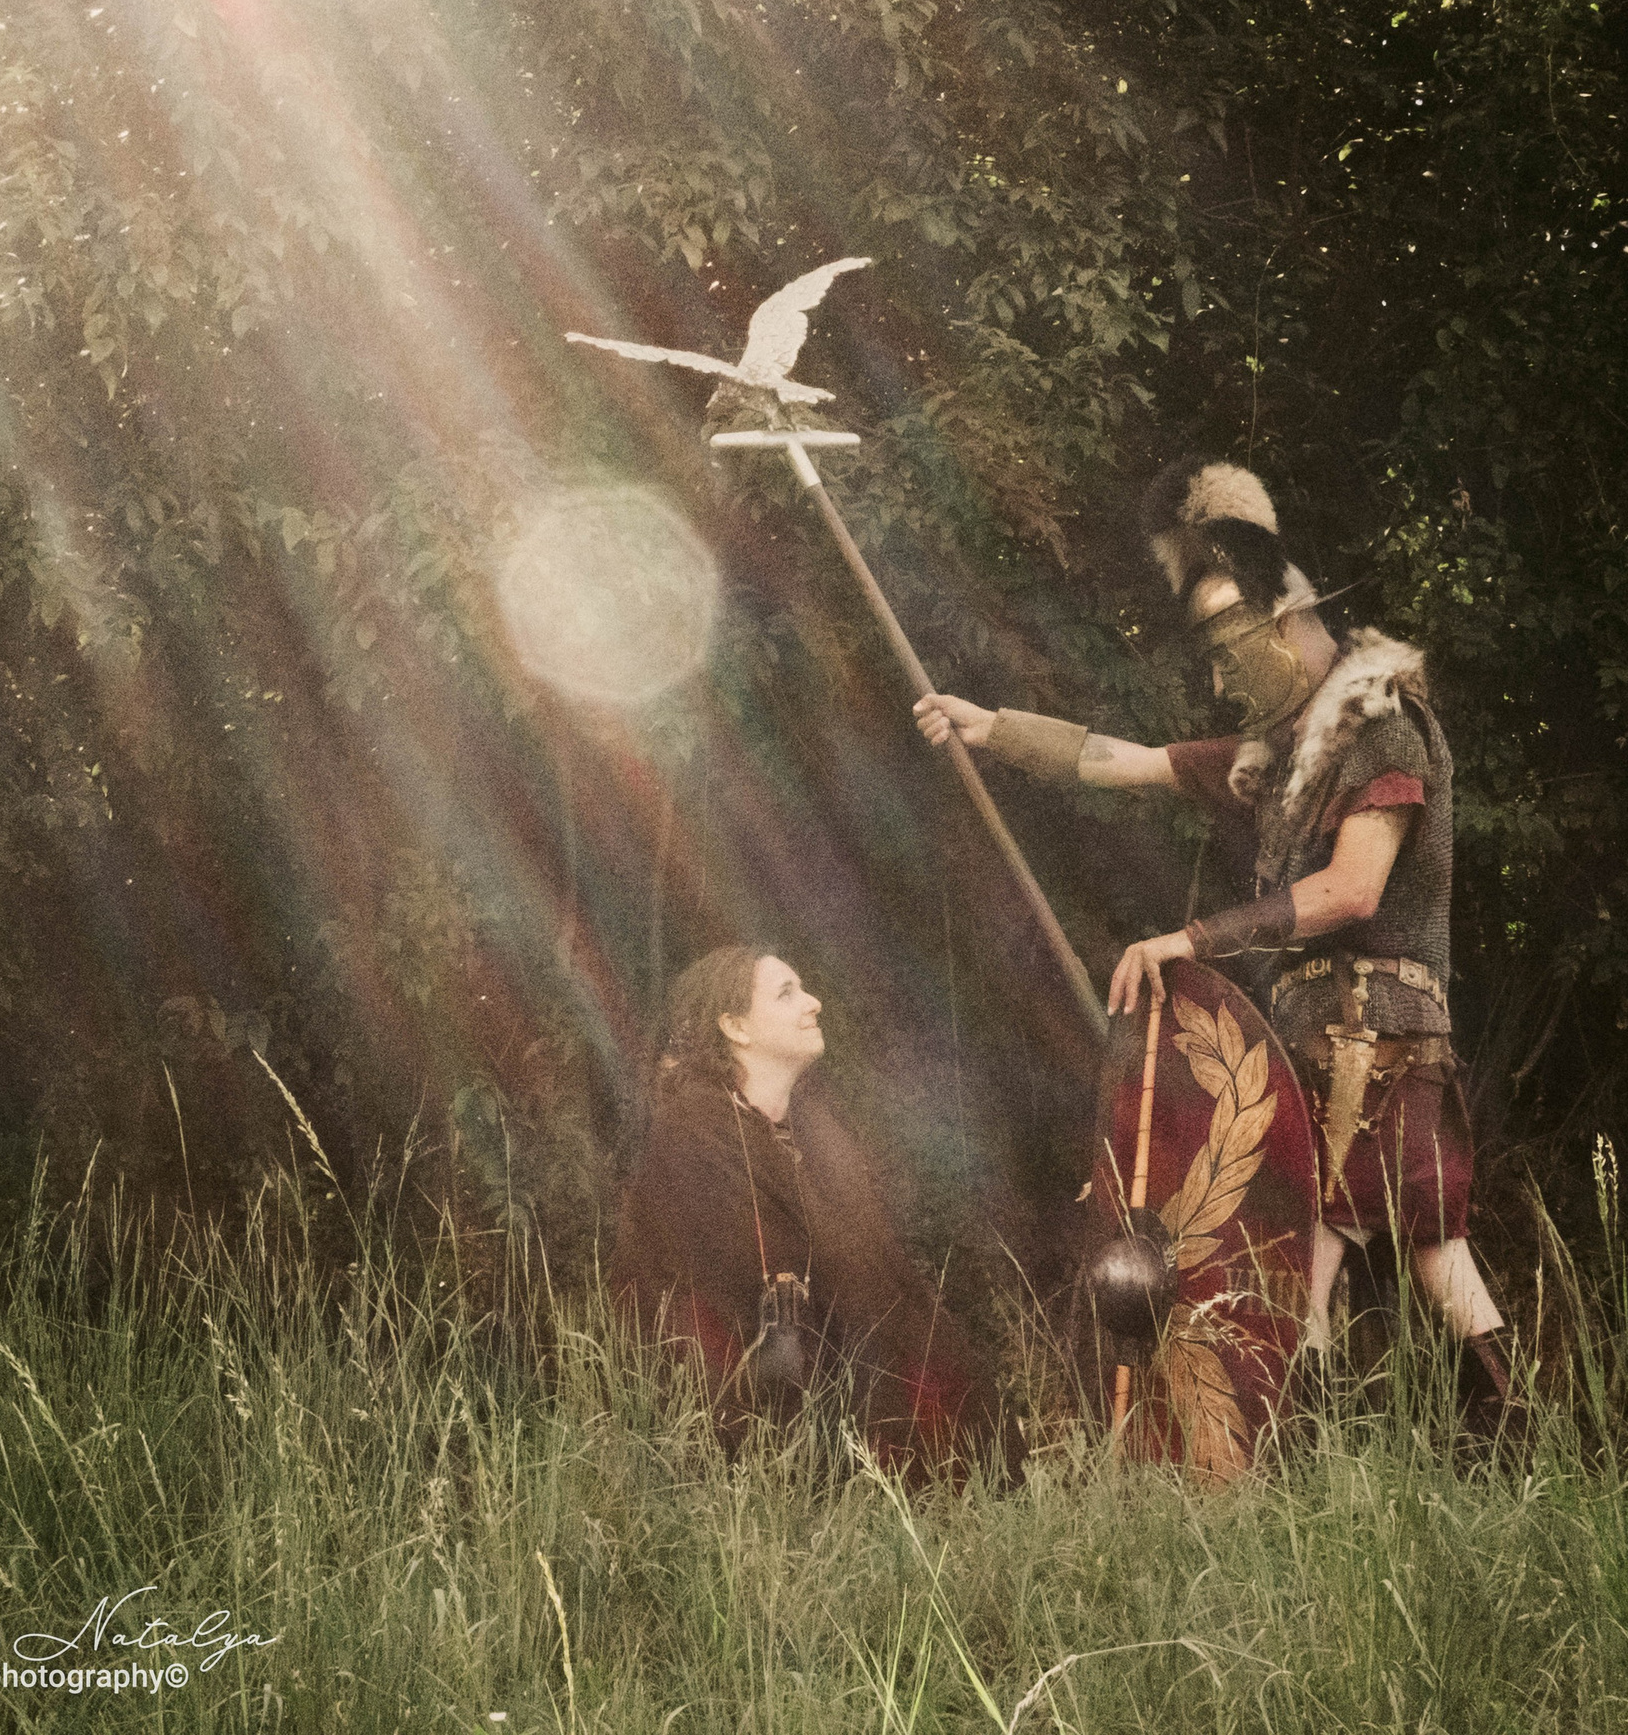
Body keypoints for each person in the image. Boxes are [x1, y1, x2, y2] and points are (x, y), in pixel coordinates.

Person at [914, 458, 1521, 1443]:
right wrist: (994, 729)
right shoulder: (1281, 756)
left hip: (1380, 1031)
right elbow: (1126, 759)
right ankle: (1403, 1458)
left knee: (1365, 1246)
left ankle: (1423, 1453)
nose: (1219, 667)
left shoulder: (1380, 729)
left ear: (1292, 621)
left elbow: (1351, 890)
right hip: (1314, 1034)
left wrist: (1191, 938)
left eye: (1230, 636)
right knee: (1384, 1251)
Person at [609, 945, 1019, 1481]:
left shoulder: (814, 1134)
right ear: (735, 1026)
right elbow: (718, 1311)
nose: (814, 1003)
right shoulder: (694, 1138)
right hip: (755, 1444)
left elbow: (881, 1288)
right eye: (787, 993)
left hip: (844, 1398)